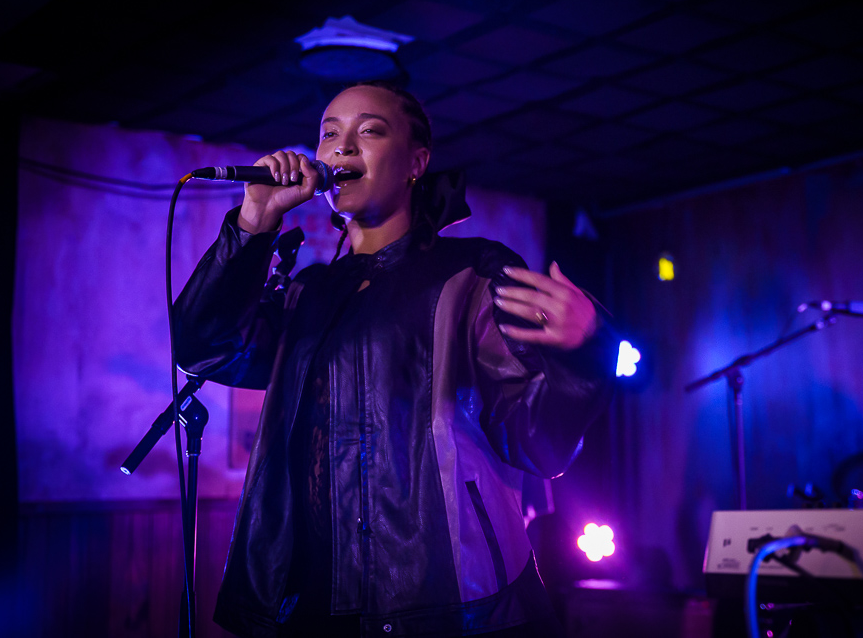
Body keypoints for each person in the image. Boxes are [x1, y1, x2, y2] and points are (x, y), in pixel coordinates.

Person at [174, 81, 615, 637]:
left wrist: (583, 354)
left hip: (448, 603)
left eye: (370, 131)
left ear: (416, 162)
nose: (342, 146)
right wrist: (253, 224)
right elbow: (204, 348)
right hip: (310, 605)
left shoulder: (472, 275)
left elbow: (537, 440)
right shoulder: (307, 294)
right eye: (329, 134)